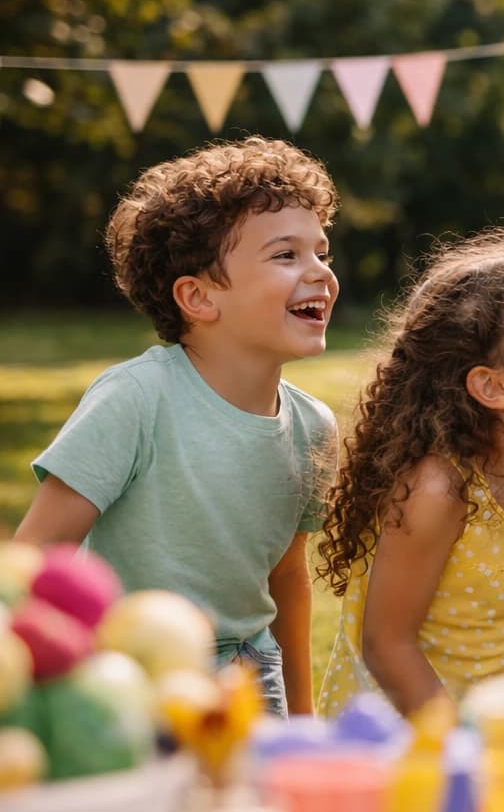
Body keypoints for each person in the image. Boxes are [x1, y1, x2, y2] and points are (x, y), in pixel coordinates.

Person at [19, 136, 340, 716]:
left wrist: (302, 716)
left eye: (322, 252)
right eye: (286, 255)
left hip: (251, 677)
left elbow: (288, 577)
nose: (319, 272)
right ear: (198, 297)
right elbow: (36, 560)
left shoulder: (313, 428)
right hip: (135, 675)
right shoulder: (135, 400)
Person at [315, 226, 504, 716]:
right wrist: (460, 750)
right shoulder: (438, 489)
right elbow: (388, 644)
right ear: (494, 388)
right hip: (410, 735)